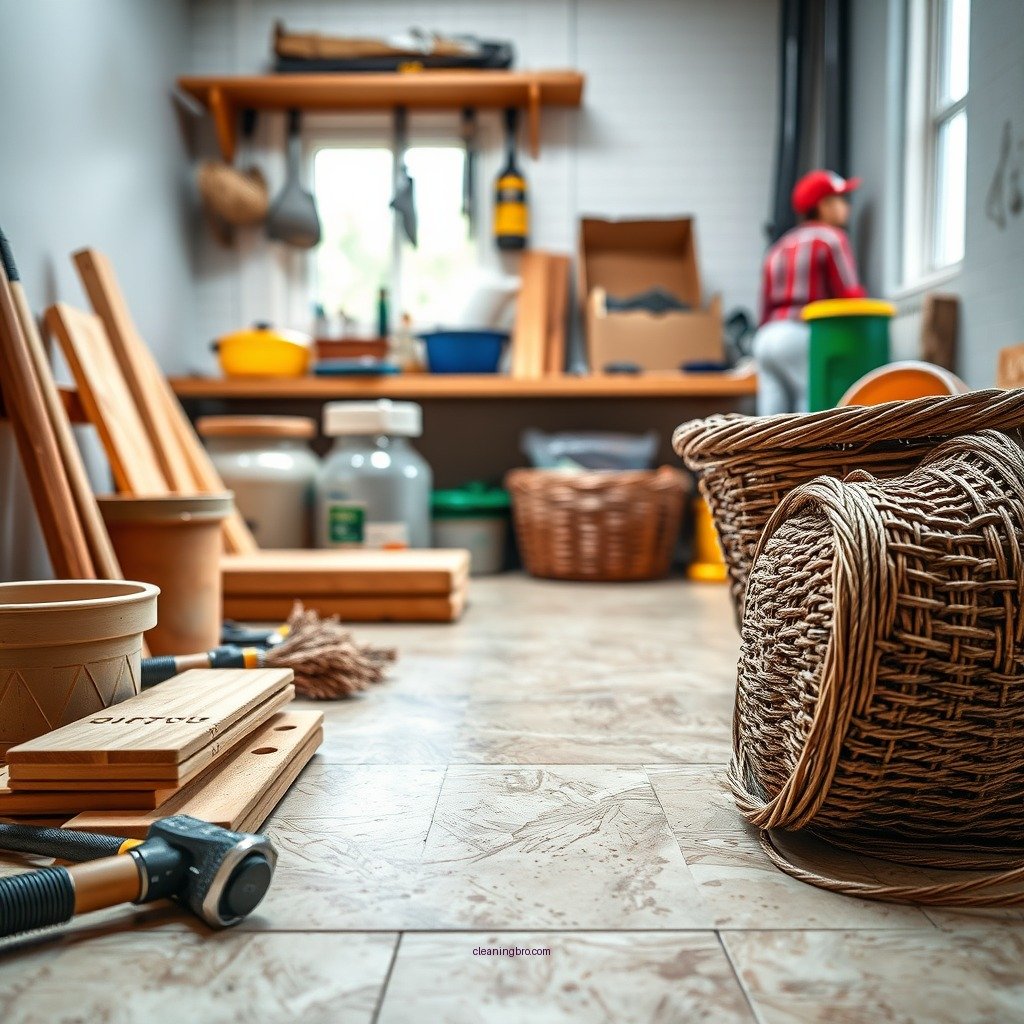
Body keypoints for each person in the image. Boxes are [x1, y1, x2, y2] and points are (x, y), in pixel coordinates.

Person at [754, 170, 866, 415]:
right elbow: (850, 295)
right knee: (810, 404)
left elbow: (764, 305)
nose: (846, 206)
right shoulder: (832, 238)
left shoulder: (779, 246)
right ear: (823, 205)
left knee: (771, 416)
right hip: (800, 334)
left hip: (766, 337)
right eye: (840, 199)